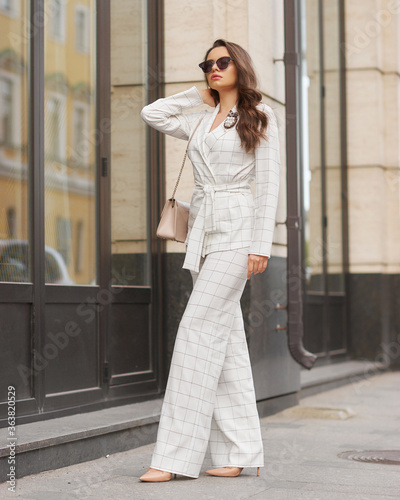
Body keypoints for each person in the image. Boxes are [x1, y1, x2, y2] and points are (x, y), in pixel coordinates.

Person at [139, 39, 280, 482]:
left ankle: (173, 457)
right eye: (208, 64)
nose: (214, 68)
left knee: (196, 331)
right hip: (202, 235)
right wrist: (195, 96)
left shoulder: (260, 116)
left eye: (223, 62)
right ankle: (240, 451)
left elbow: (269, 184)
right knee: (227, 345)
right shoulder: (201, 119)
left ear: (240, 65)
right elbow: (152, 114)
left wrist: (262, 244)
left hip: (239, 235)